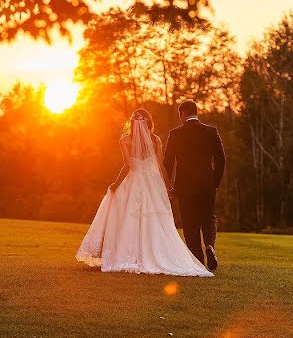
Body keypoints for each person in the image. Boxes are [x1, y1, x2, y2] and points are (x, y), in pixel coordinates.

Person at [76, 108, 212, 277]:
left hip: (133, 182)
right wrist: (168, 186)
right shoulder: (155, 140)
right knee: (154, 220)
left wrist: (115, 184)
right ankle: (155, 254)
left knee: (127, 218)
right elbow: (161, 166)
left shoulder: (125, 140)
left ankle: (128, 254)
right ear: (149, 123)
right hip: (152, 184)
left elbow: (128, 166)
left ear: (132, 123)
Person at [164, 100, 225, 269]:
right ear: (196, 112)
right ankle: (210, 246)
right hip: (207, 184)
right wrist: (215, 182)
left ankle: (198, 261)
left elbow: (167, 161)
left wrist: (169, 184)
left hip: (184, 185)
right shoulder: (211, 132)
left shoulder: (175, 134)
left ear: (183, 114)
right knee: (209, 217)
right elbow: (221, 159)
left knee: (190, 223)